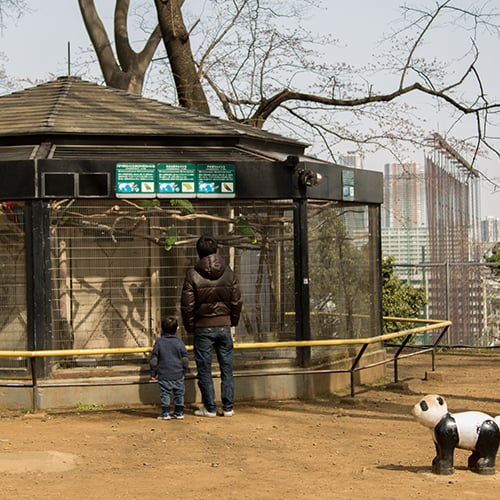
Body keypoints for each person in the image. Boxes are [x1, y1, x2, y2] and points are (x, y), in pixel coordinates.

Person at [181, 235, 242, 417]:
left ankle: (210, 407)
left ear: (198, 252)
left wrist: (191, 326)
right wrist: (232, 322)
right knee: (227, 368)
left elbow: (187, 305)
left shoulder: (192, 274)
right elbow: (237, 301)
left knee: (204, 369)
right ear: (216, 250)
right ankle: (228, 407)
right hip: (224, 325)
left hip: (202, 327)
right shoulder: (229, 272)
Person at [149, 316, 189, 420]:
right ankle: (179, 412)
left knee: (165, 394)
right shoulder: (179, 342)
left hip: (164, 374)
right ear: (177, 329)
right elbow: (185, 359)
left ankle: (165, 413)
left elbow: (154, 360)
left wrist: (153, 373)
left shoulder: (159, 342)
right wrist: (184, 371)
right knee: (179, 394)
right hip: (178, 374)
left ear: (161, 329)